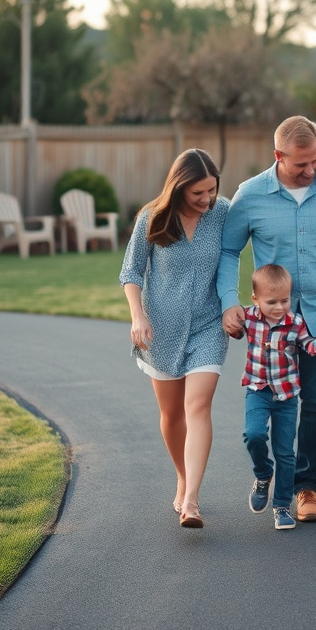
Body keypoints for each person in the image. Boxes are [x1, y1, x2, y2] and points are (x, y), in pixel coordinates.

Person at [218, 115, 316, 523]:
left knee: (315, 404)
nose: (311, 170)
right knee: (270, 409)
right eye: (301, 164)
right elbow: (229, 251)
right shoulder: (250, 195)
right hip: (271, 327)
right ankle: (267, 474)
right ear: (278, 156)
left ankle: (306, 488)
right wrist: (229, 302)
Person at [119, 148, 229, 529]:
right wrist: (138, 315)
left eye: (211, 191)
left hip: (208, 326)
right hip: (160, 328)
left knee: (198, 406)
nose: (207, 200)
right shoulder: (152, 218)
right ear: (179, 187)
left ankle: (193, 500)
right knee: (171, 415)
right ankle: (182, 477)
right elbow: (130, 272)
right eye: (198, 193)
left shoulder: (222, 213)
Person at [239, 265, 316, 530]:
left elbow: (309, 347)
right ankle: (262, 474)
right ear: (255, 298)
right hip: (257, 391)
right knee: (254, 435)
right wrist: (230, 323)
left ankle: (281, 505)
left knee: (285, 453)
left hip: (286, 397)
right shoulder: (249, 318)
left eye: (285, 300)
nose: (280, 307)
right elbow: (233, 329)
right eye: (272, 302)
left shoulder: (295, 322)